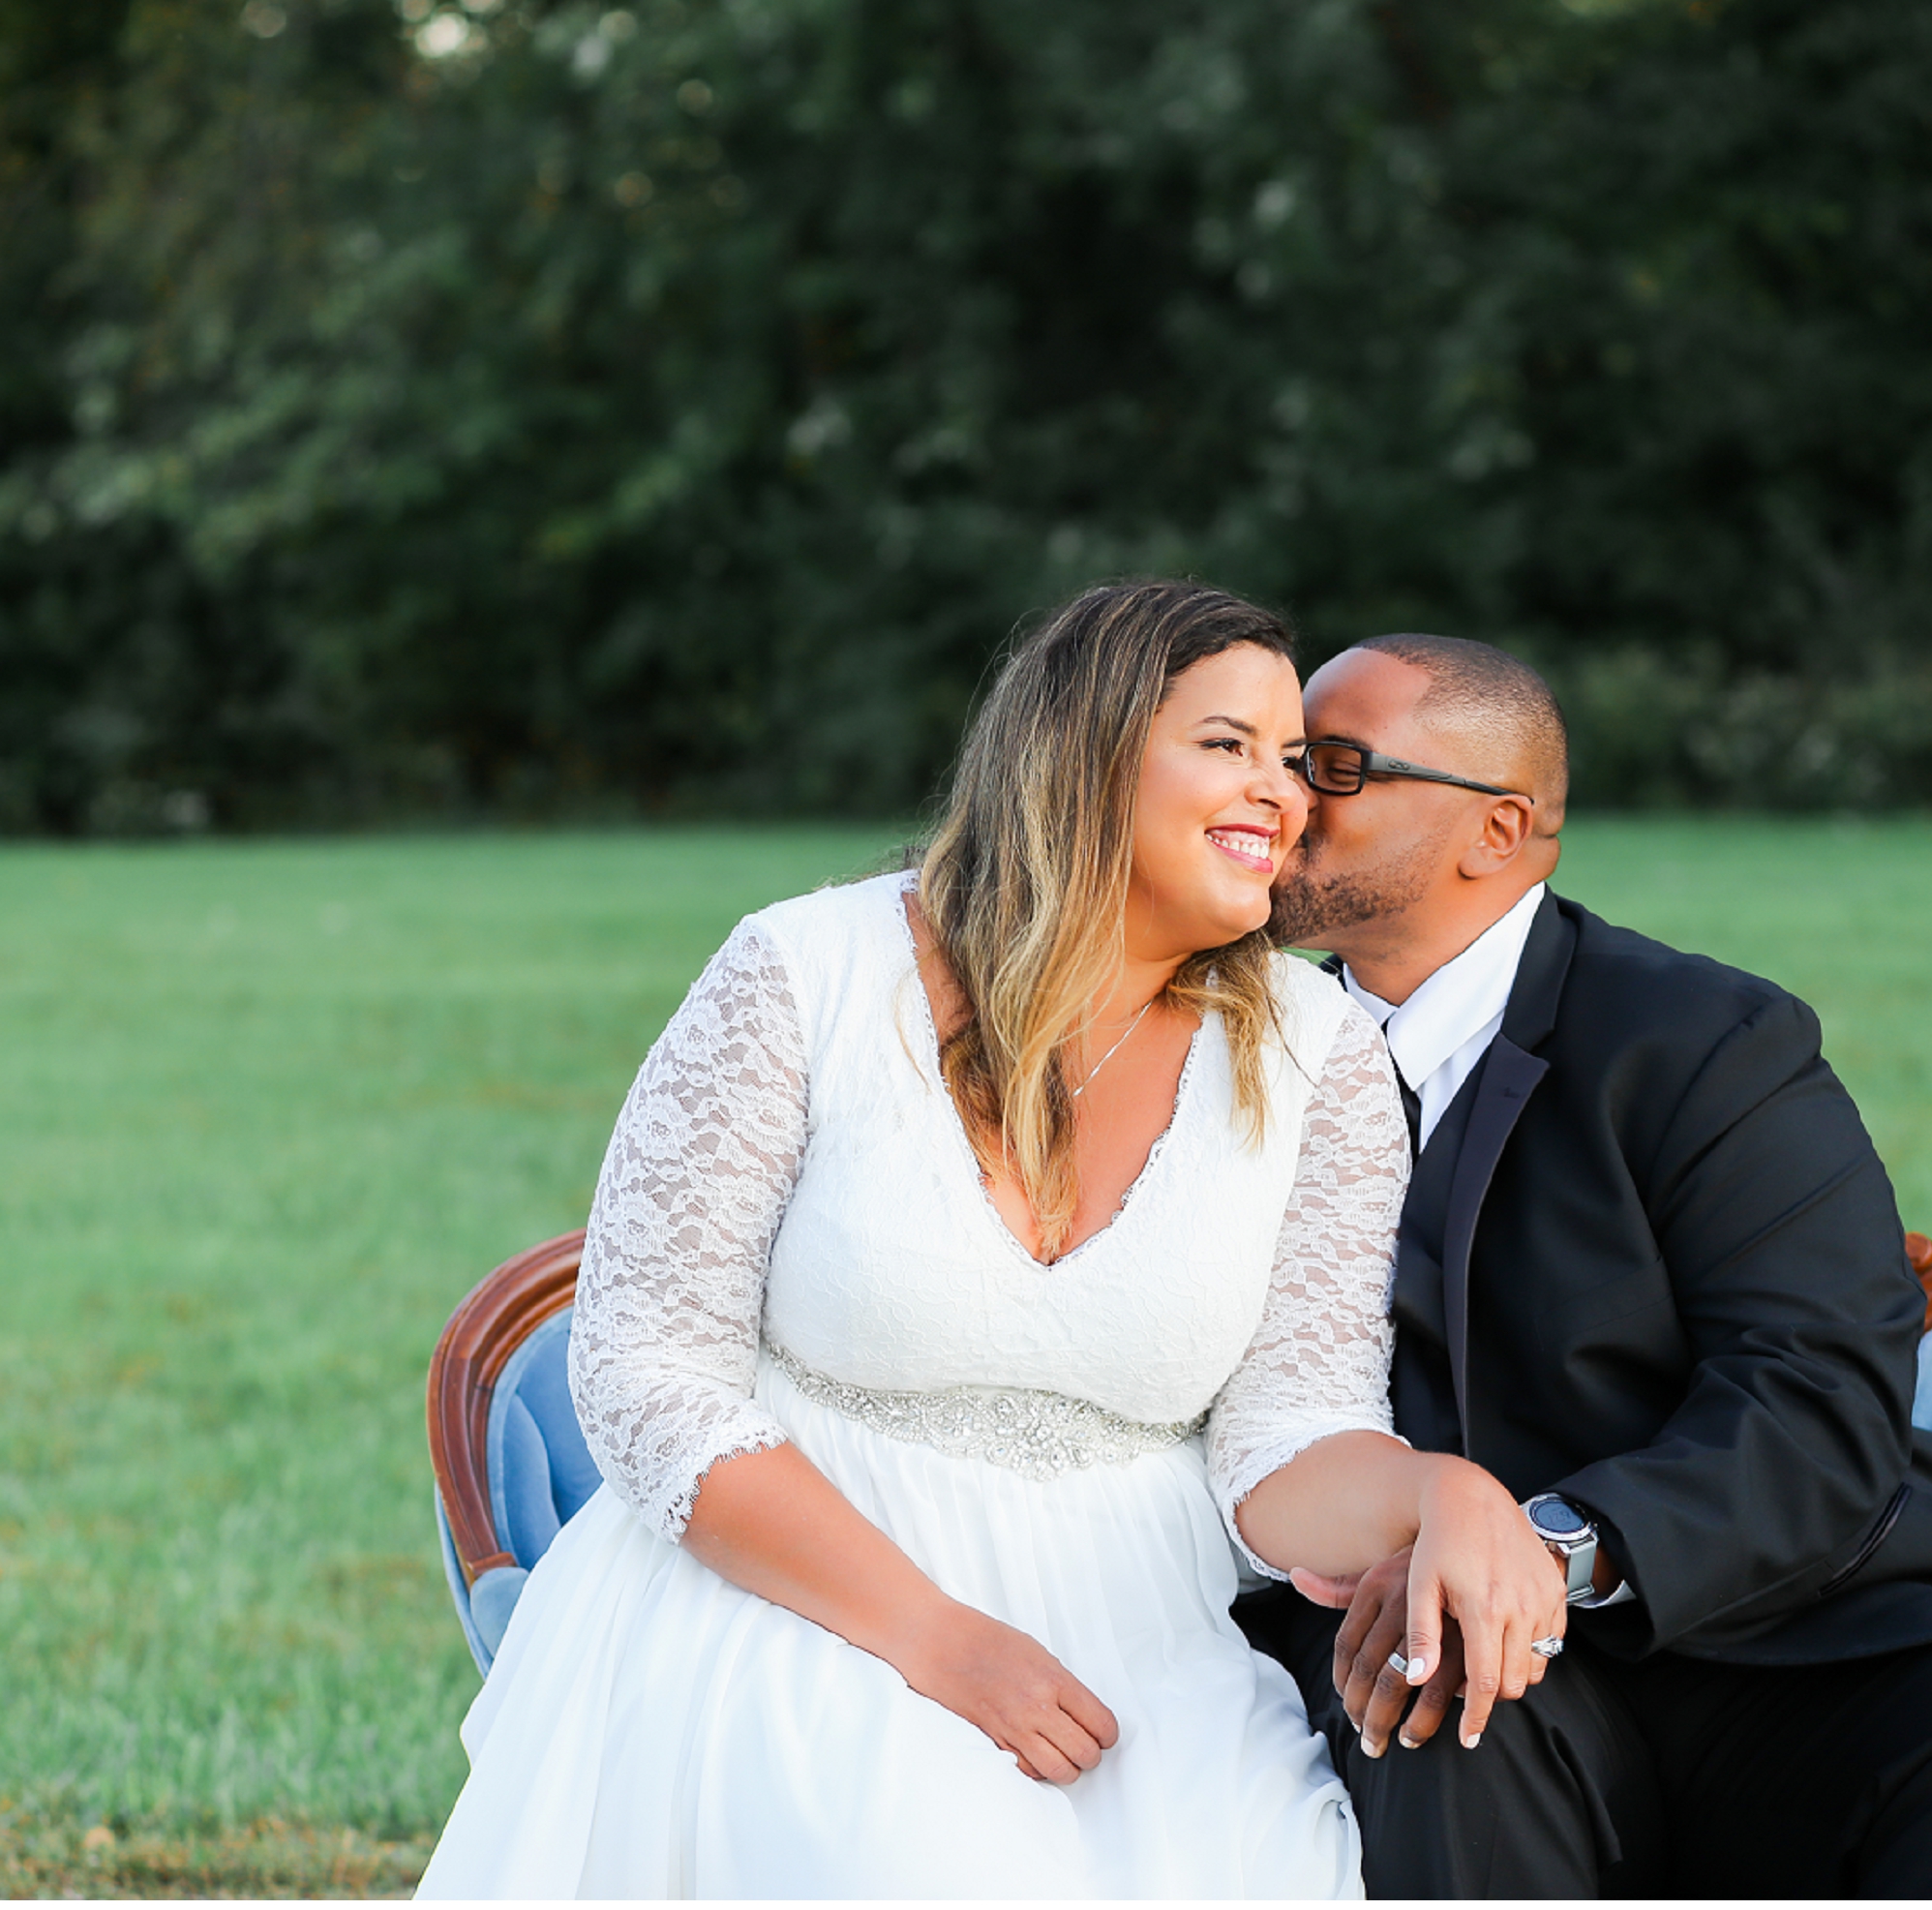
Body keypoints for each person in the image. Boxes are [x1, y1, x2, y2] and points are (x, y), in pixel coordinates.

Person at [416, 584, 1557, 1897]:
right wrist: (941, 1640)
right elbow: (646, 1375)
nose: (1285, 794)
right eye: (1229, 744)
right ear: (1081, 747)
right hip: (786, 1597)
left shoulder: (1324, 1061)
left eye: (1296, 762)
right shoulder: (807, 972)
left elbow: (1282, 1436)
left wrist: (1440, 1493)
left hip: (1135, 1641)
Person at [1241, 633, 1932, 1897]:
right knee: (1437, 1702)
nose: (1283, 799)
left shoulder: (1703, 1043)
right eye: (1283, 759)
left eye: (1333, 765)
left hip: (1787, 1631)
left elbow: (1815, 1393)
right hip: (1429, 1652)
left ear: (1494, 830)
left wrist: (1545, 1551)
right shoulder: (1233, 1058)